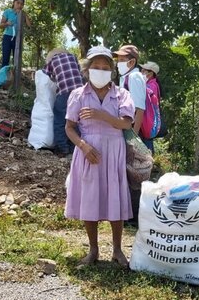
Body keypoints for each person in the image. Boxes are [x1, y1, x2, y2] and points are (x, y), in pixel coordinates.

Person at [65, 46, 135, 268]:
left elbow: (126, 123)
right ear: (87, 70)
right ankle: (93, 249)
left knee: (115, 198)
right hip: (88, 153)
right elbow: (69, 127)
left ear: (112, 71)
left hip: (114, 150)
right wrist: (83, 146)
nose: (101, 71)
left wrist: (101, 115)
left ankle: (117, 249)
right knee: (90, 199)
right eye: (96, 67)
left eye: (105, 68)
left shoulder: (122, 95)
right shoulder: (78, 94)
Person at [113, 44, 146, 227]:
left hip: (132, 132)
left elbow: (139, 108)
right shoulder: (126, 77)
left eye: (122, 59)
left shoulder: (133, 77)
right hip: (126, 130)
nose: (118, 63)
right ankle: (128, 214)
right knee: (129, 173)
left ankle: (133, 217)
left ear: (132, 61)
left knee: (135, 174)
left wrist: (134, 138)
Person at [43, 48, 84, 157]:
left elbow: (45, 75)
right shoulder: (73, 57)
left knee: (60, 120)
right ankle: (75, 147)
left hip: (64, 93)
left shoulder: (51, 62)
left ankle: (62, 148)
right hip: (81, 93)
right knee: (76, 120)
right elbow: (79, 71)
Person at [0, 0, 31, 67]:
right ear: (14, 3)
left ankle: (15, 77)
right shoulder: (8, 11)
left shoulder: (22, 14)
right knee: (5, 59)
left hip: (18, 38)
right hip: (7, 37)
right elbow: (0, 25)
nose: (19, 5)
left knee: (17, 59)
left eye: (22, 4)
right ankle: (3, 77)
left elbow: (29, 25)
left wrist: (25, 15)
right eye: (18, 3)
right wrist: (7, 23)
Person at [140, 60, 161, 154]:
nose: (141, 72)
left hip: (148, 122)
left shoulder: (152, 86)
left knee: (146, 152)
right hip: (147, 122)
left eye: (144, 71)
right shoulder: (153, 84)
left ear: (151, 73)